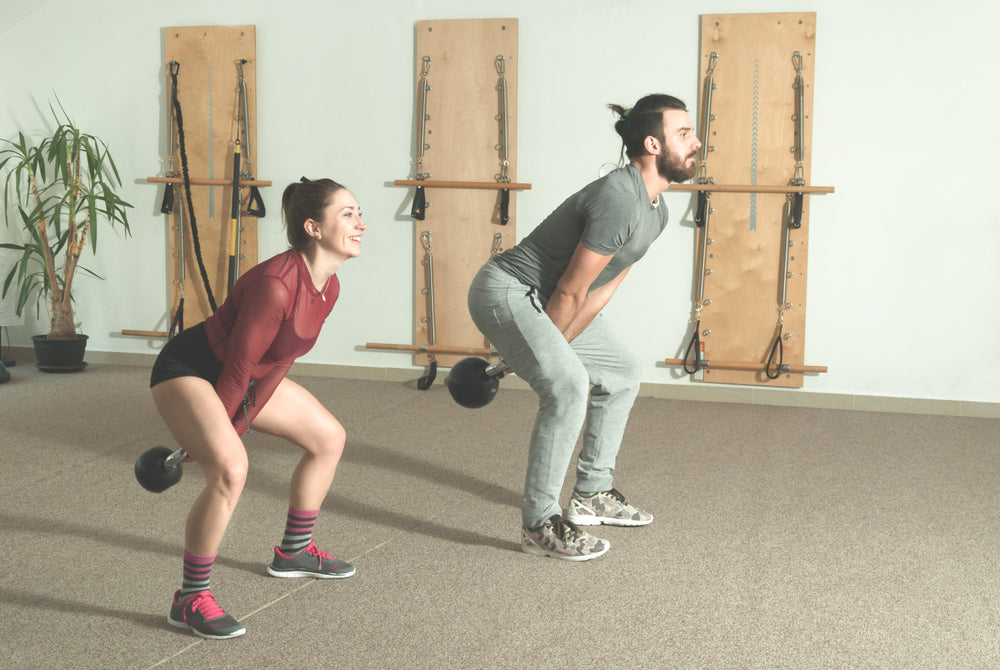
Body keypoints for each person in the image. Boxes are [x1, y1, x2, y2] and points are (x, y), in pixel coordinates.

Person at [467, 94, 701, 561]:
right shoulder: (619, 197)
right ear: (652, 144)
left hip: (552, 299)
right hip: (508, 291)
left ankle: (592, 493)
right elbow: (570, 291)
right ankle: (538, 522)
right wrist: (549, 353)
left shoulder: (656, 211)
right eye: (684, 134)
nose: (697, 142)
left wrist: (551, 345)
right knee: (569, 385)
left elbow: (602, 289)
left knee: (621, 371)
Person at [149, 177, 366, 639]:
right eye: (347, 214)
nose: (360, 224)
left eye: (357, 213)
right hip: (190, 369)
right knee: (231, 469)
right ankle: (189, 598)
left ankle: (294, 550)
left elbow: (280, 361)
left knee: (329, 437)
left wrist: (236, 421)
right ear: (313, 226)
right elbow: (236, 369)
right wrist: (218, 437)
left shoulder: (329, 287)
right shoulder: (276, 285)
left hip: (239, 376)